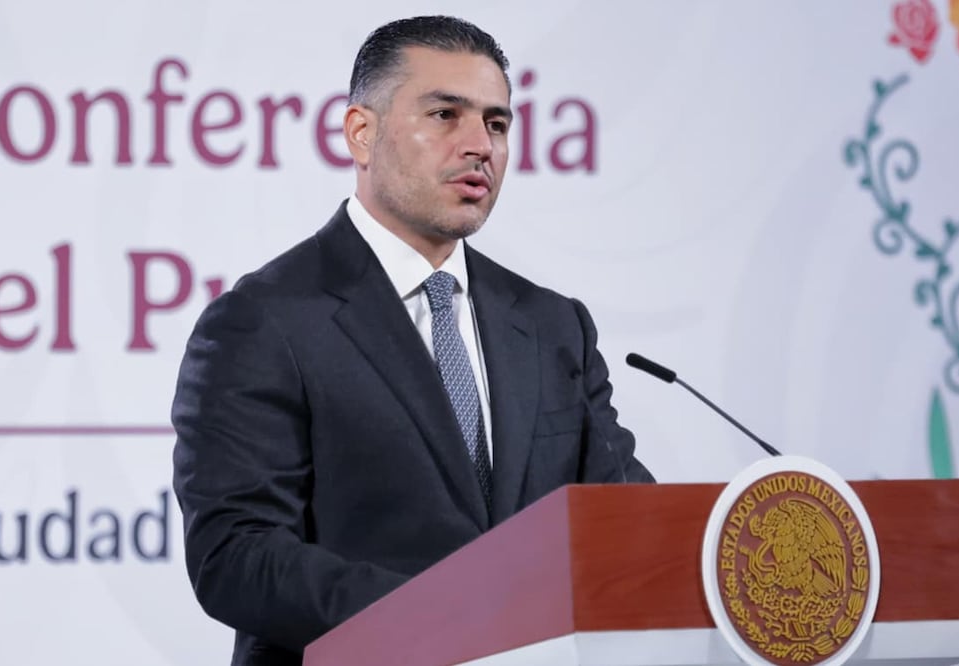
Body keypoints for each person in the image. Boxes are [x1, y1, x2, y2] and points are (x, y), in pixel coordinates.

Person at [171, 15, 653, 666]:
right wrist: (443, 622)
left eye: (497, 124)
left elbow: (627, 521)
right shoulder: (266, 320)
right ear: (360, 133)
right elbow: (236, 556)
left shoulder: (553, 325)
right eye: (445, 114)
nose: (479, 145)